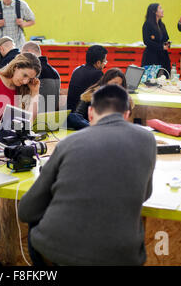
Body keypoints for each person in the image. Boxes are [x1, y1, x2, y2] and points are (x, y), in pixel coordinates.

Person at [18, 84, 156, 266]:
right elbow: (145, 194)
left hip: (60, 252)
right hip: (123, 256)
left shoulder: (69, 143)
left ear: (90, 113)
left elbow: (27, 210)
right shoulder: (147, 140)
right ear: (126, 114)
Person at [0, 52, 41, 130]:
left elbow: (29, 121)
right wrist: (5, 127)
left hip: (9, 138)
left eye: (30, 79)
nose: (25, 81)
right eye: (24, 75)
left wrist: (35, 93)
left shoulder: (23, 87)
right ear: (15, 67)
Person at [21, 41, 60, 112]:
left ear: (29, 52)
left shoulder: (34, 70)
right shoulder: (55, 71)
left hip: (37, 117)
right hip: (51, 116)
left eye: (22, 54)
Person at [67, 45, 107, 112]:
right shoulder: (97, 74)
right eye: (104, 61)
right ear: (98, 63)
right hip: (81, 117)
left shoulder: (77, 69)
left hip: (70, 113)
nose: (105, 64)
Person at [141, 3, 171, 74]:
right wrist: (161, 46)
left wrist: (167, 44)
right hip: (152, 57)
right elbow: (147, 41)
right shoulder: (147, 24)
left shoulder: (162, 25)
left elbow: (166, 38)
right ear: (154, 11)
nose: (162, 10)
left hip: (163, 56)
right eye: (160, 8)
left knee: (164, 78)